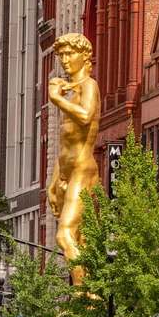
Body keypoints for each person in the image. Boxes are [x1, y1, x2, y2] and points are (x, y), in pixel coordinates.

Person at [48, 33, 101, 286]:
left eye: (70, 54)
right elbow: (64, 144)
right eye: (62, 55)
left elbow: (85, 116)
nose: (65, 60)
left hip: (83, 170)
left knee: (65, 235)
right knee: (80, 240)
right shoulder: (70, 94)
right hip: (66, 175)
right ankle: (89, 292)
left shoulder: (89, 86)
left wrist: (57, 99)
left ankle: (85, 300)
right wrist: (53, 182)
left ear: (85, 56)